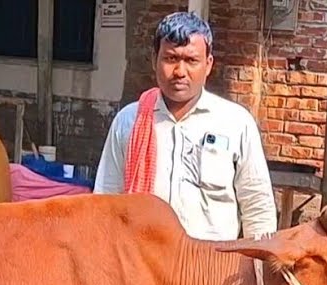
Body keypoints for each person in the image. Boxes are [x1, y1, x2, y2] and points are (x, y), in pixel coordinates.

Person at [93, 12, 275, 241]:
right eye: (170, 59)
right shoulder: (129, 121)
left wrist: (259, 266)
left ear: (208, 64)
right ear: (154, 60)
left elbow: (257, 206)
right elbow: (105, 201)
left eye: (191, 61)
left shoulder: (236, 123)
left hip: (211, 269)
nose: (180, 72)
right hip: (143, 266)